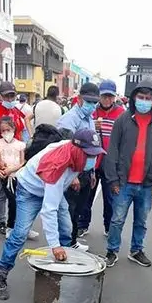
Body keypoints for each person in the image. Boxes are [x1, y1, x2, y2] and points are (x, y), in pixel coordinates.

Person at [0, 128, 106, 300]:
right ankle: (1, 275)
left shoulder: (73, 150)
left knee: (66, 229)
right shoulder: (58, 165)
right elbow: (48, 210)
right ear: (77, 151)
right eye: (89, 156)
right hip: (30, 191)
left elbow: (69, 166)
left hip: (53, 187)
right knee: (20, 234)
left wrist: (74, 176)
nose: (92, 159)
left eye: (95, 155)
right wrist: (55, 245)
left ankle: (67, 273)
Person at [103, 76, 152, 268]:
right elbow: (112, 151)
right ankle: (112, 250)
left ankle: (136, 250)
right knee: (117, 220)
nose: (144, 101)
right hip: (124, 182)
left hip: (147, 183)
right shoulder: (122, 120)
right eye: (140, 96)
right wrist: (113, 180)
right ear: (134, 97)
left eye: (148, 97)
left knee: (141, 221)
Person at [56, 82, 101, 248]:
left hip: (85, 172)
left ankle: (72, 241)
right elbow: (64, 151)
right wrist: (72, 175)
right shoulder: (69, 120)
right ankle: (63, 245)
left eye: (94, 102)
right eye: (88, 101)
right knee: (68, 210)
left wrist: (92, 173)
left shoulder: (89, 119)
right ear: (79, 99)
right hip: (72, 172)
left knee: (78, 210)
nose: (91, 105)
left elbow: (92, 148)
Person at [0, 81, 28, 236]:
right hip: (2, 156)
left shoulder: (16, 111)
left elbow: (22, 133)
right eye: (7, 96)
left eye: (12, 95)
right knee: (3, 192)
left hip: (17, 157)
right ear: (0, 96)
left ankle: (18, 222)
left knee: (20, 191)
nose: (10, 99)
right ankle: (2, 222)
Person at [84, 79, 125, 238]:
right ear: (99, 96)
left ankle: (108, 227)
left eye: (110, 96)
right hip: (92, 161)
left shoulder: (121, 114)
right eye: (104, 96)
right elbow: (82, 134)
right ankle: (83, 225)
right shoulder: (91, 111)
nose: (107, 99)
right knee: (87, 195)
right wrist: (91, 126)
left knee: (110, 199)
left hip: (111, 163)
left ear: (114, 97)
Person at [0, 116, 26, 235]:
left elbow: (23, 162)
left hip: (16, 176)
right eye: (3, 131)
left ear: (13, 129)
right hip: (4, 176)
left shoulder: (20, 144)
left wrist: (12, 169)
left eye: (8, 130)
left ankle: (18, 225)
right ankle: (8, 225)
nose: (6, 133)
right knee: (9, 199)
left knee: (18, 201)